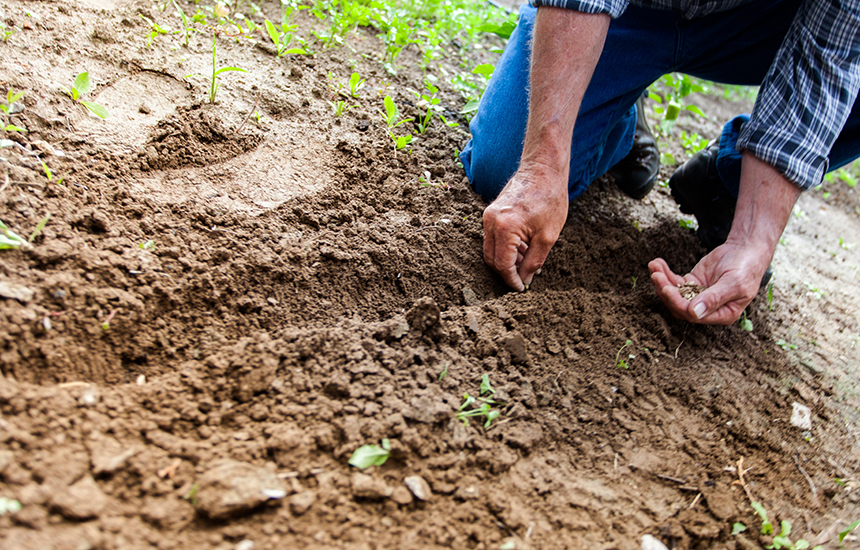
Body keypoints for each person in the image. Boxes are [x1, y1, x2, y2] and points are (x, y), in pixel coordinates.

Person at [459, 0, 860, 325]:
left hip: (759, 21)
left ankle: (729, 183)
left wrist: (753, 238)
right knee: (504, 167)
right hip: (630, 11)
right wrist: (541, 167)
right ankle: (619, 116)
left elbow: (831, 56)